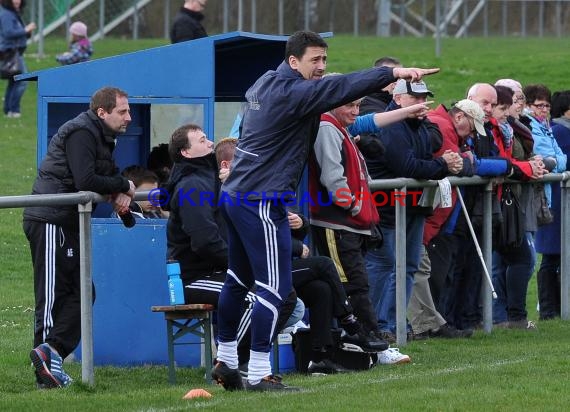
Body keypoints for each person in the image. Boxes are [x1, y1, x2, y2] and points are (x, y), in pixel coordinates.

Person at [213, 30, 439, 392]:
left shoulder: (267, 83)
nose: (321, 67)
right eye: (315, 60)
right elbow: (341, 88)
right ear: (293, 62)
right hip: (260, 199)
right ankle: (258, 372)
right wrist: (393, 74)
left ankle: (225, 359)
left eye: (324, 59)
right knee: (274, 287)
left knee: (238, 281)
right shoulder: (294, 93)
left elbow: (350, 116)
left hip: (236, 195)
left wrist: (403, 112)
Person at [23, 86, 136, 389]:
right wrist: (123, 184)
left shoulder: (104, 138)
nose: (129, 117)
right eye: (123, 111)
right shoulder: (81, 132)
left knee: (84, 292)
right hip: (50, 217)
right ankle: (44, 374)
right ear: (103, 112)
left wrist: (123, 198)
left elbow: (106, 177)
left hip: (68, 222)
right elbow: (86, 179)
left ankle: (52, 353)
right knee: (51, 299)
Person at [365, 79, 463, 342]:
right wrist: (443, 164)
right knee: (385, 267)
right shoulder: (393, 125)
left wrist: (440, 163)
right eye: (415, 98)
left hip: (412, 206)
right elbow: (407, 167)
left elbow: (423, 158)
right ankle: (379, 325)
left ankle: (394, 325)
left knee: (408, 266)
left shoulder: (419, 125)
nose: (421, 103)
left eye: (424, 98)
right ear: (398, 100)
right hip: (388, 209)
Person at [535, 90, 570, 320]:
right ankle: (548, 309)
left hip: (560, 200)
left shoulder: (557, 130)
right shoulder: (561, 131)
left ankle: (555, 308)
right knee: (552, 257)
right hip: (556, 201)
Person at [0, 0, 36, 118]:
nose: (17, 1)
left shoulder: (13, 12)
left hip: (14, 52)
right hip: (10, 53)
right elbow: (8, 32)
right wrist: (25, 30)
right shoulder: (6, 14)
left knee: (14, 80)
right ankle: (14, 110)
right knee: (23, 80)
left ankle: (9, 110)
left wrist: (27, 32)